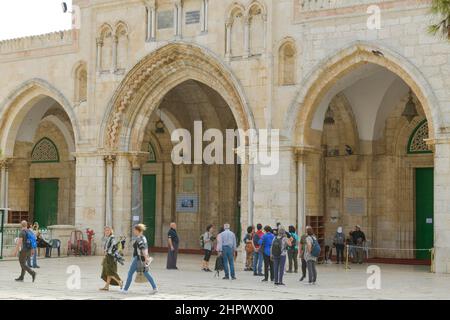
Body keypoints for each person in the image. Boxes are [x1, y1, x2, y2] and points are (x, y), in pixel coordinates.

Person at [122, 224, 157, 294]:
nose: (134, 231)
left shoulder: (139, 239)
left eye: (135, 230)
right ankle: (155, 288)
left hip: (138, 258)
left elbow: (143, 248)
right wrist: (146, 257)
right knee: (146, 273)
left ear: (138, 230)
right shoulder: (144, 237)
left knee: (130, 273)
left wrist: (146, 258)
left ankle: (125, 290)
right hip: (142, 258)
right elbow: (146, 248)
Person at [100, 226, 123, 291]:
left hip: (110, 257)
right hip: (108, 257)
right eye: (105, 230)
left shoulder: (112, 238)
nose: (106, 231)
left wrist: (107, 252)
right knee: (107, 272)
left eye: (108, 230)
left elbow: (112, 247)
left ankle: (119, 281)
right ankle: (107, 286)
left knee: (110, 271)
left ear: (111, 231)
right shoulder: (109, 238)